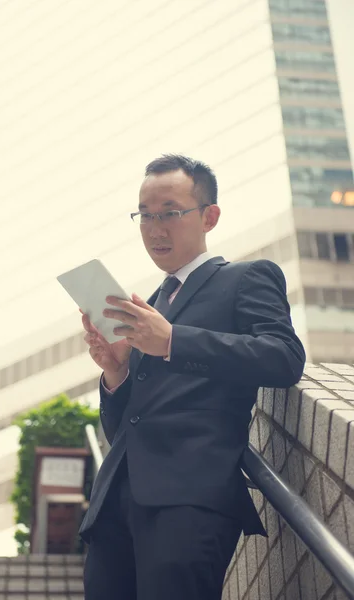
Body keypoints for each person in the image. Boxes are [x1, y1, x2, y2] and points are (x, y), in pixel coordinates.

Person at [79, 154, 305, 600]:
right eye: (144, 215)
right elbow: (124, 427)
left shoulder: (246, 278)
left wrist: (173, 341)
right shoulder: (152, 309)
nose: (154, 227)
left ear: (209, 216)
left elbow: (284, 357)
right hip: (114, 507)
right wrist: (116, 371)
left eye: (169, 213)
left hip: (190, 501)